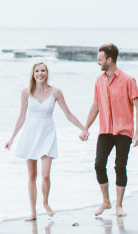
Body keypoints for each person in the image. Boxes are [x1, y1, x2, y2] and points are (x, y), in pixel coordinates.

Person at [5, 60, 86, 221]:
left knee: (46, 175)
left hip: (47, 134)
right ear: (33, 74)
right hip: (30, 134)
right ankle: (33, 212)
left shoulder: (55, 92)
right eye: (37, 71)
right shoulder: (26, 92)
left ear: (47, 73)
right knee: (32, 175)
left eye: (43, 71)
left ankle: (45, 202)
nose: (40, 74)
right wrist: (12, 138)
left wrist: (83, 128)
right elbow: (21, 117)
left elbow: (68, 114)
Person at [78, 44, 138, 217]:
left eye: (100, 59)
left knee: (120, 167)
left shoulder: (128, 80)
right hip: (105, 130)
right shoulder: (99, 81)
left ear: (110, 60)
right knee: (99, 164)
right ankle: (106, 201)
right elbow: (96, 105)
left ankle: (119, 206)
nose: (97, 62)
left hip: (124, 131)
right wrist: (86, 128)